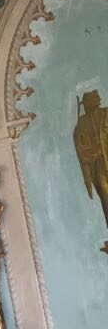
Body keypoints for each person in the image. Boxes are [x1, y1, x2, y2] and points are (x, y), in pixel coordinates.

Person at [73, 89, 108, 229]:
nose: (98, 99)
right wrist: (92, 152)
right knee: (104, 193)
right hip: (97, 163)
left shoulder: (106, 113)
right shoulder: (81, 123)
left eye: (97, 97)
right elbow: (80, 147)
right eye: (94, 98)